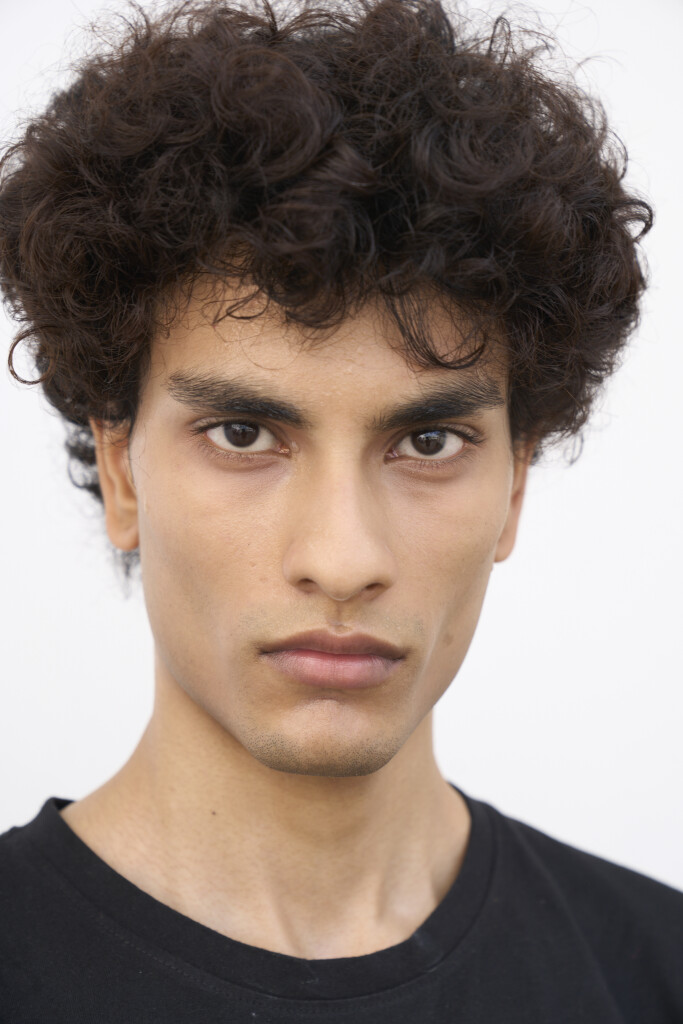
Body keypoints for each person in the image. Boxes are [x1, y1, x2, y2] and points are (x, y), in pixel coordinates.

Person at [0, 0, 680, 1019]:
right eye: (242, 434)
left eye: (427, 442)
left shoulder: (654, 973)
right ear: (122, 470)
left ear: (514, 485)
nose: (342, 555)